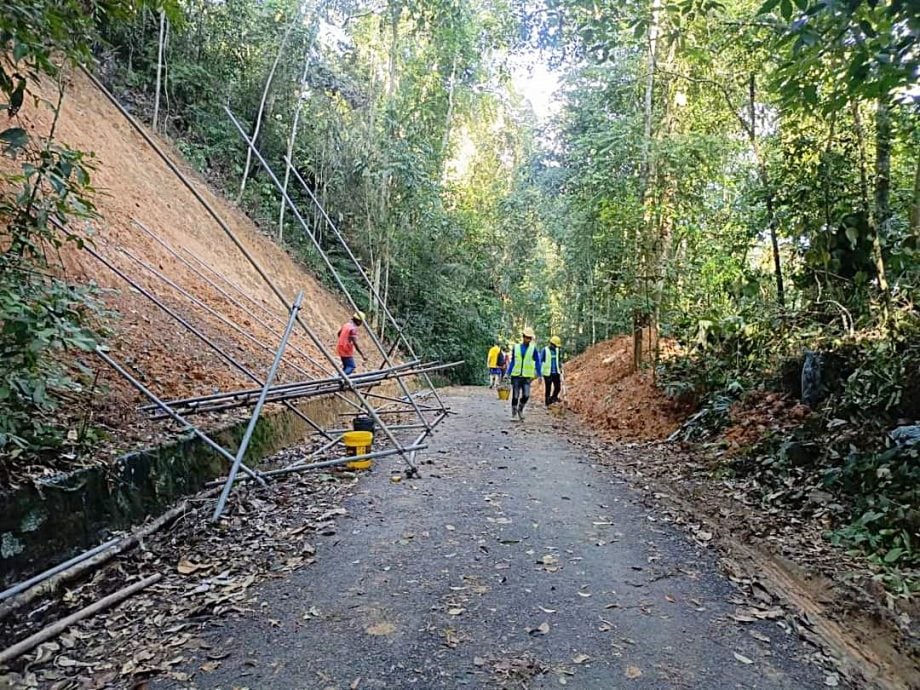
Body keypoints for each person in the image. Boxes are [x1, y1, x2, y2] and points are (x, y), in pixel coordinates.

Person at [506, 326, 542, 422]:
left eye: (530, 338)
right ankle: (514, 413)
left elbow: (537, 362)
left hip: (526, 377)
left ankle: (520, 409)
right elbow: (513, 361)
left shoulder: (533, 349)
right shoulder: (516, 347)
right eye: (527, 337)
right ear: (523, 337)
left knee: (526, 395)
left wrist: (539, 374)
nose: (528, 340)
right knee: (515, 395)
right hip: (516, 376)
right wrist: (508, 373)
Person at [336, 311, 366, 376]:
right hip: (346, 349)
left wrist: (343, 340)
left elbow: (338, 334)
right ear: (358, 321)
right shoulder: (353, 329)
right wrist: (362, 354)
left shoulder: (346, 325)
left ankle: (340, 378)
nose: (361, 324)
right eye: (361, 322)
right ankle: (338, 378)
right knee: (351, 366)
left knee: (346, 366)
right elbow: (355, 343)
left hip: (340, 347)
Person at [541, 336, 563, 406]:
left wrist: (560, 365)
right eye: (555, 346)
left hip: (556, 372)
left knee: (558, 387)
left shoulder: (557, 350)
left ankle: (553, 398)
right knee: (548, 388)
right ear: (552, 344)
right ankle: (547, 402)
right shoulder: (545, 350)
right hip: (547, 373)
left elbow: (558, 360)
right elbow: (541, 360)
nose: (556, 347)